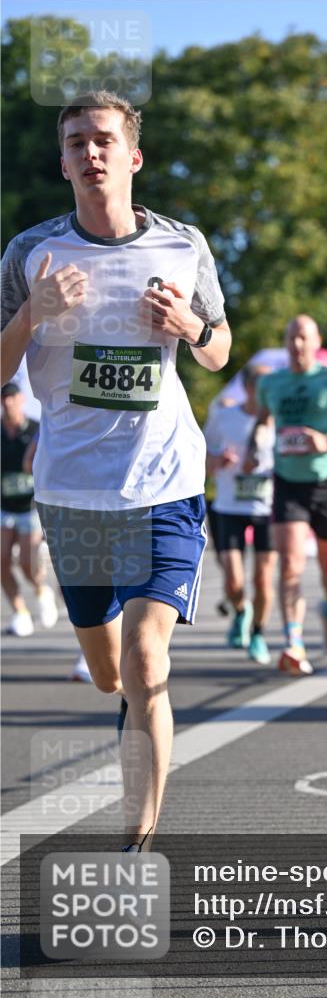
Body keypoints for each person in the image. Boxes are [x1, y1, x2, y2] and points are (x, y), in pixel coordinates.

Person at [0, 90, 231, 852]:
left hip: (164, 480)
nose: (88, 153)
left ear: (132, 157)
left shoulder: (180, 244)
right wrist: (31, 312)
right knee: (108, 675)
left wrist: (190, 326)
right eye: (75, 143)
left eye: (102, 140)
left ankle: (135, 843)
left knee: (144, 659)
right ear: (62, 161)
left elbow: (218, 348)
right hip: (73, 493)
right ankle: (122, 700)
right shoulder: (31, 253)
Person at [247, 315, 327, 675]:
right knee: (290, 564)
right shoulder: (271, 383)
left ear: (317, 341)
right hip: (288, 481)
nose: (297, 345)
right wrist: (252, 448)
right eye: (291, 338)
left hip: (326, 480)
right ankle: (293, 641)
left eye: (304, 338)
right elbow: (262, 420)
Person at [204, 364, 276, 664]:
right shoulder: (224, 416)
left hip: (267, 508)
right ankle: (241, 611)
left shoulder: (280, 421)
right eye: (259, 386)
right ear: (247, 388)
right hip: (229, 506)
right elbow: (202, 456)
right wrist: (220, 460)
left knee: (262, 578)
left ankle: (258, 634)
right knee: (234, 580)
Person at [1, 381, 58, 636]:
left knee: (27, 562)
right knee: (1, 561)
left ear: (21, 399)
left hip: (30, 507)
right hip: (5, 505)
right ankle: (20, 612)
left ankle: (40, 589)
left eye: (12, 398)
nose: (8, 403)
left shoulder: (35, 430)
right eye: (4, 399)